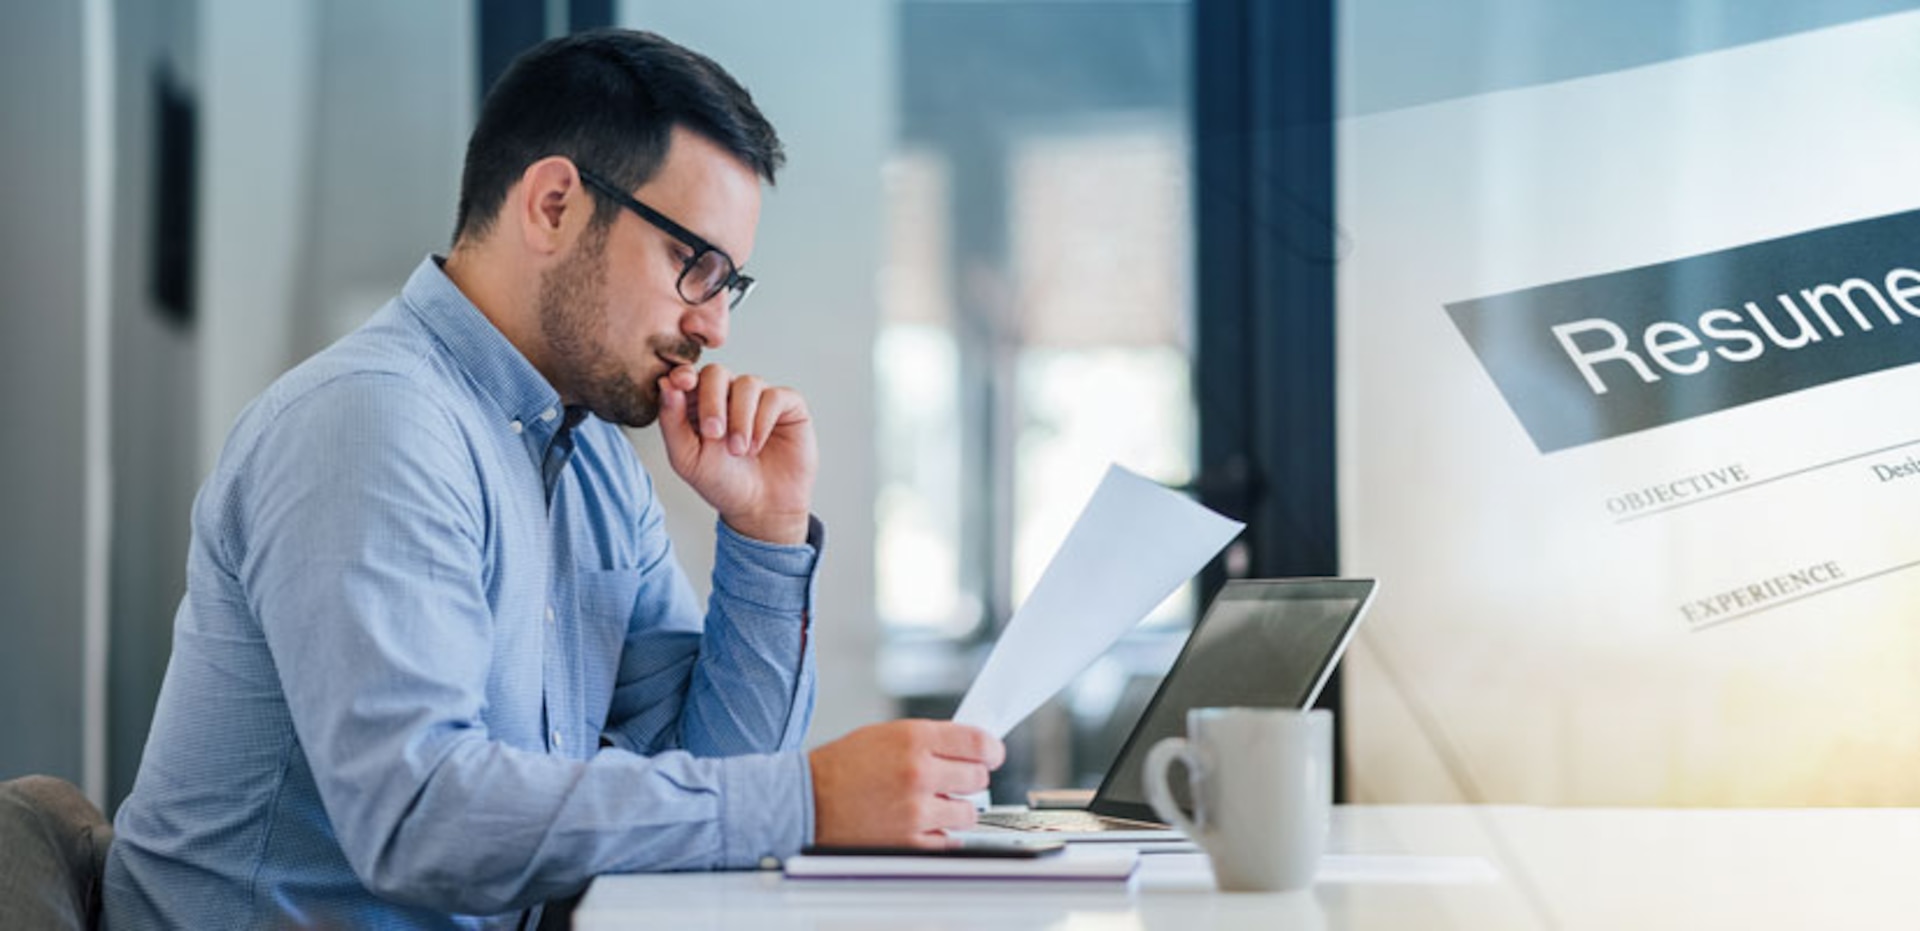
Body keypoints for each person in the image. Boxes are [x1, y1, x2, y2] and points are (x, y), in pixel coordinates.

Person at [104, 28, 1003, 929]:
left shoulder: (596, 461)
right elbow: (418, 820)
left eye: (732, 284)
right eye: (697, 266)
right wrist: (805, 803)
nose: (715, 327)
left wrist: (766, 532)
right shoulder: (373, 422)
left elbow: (713, 777)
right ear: (553, 205)